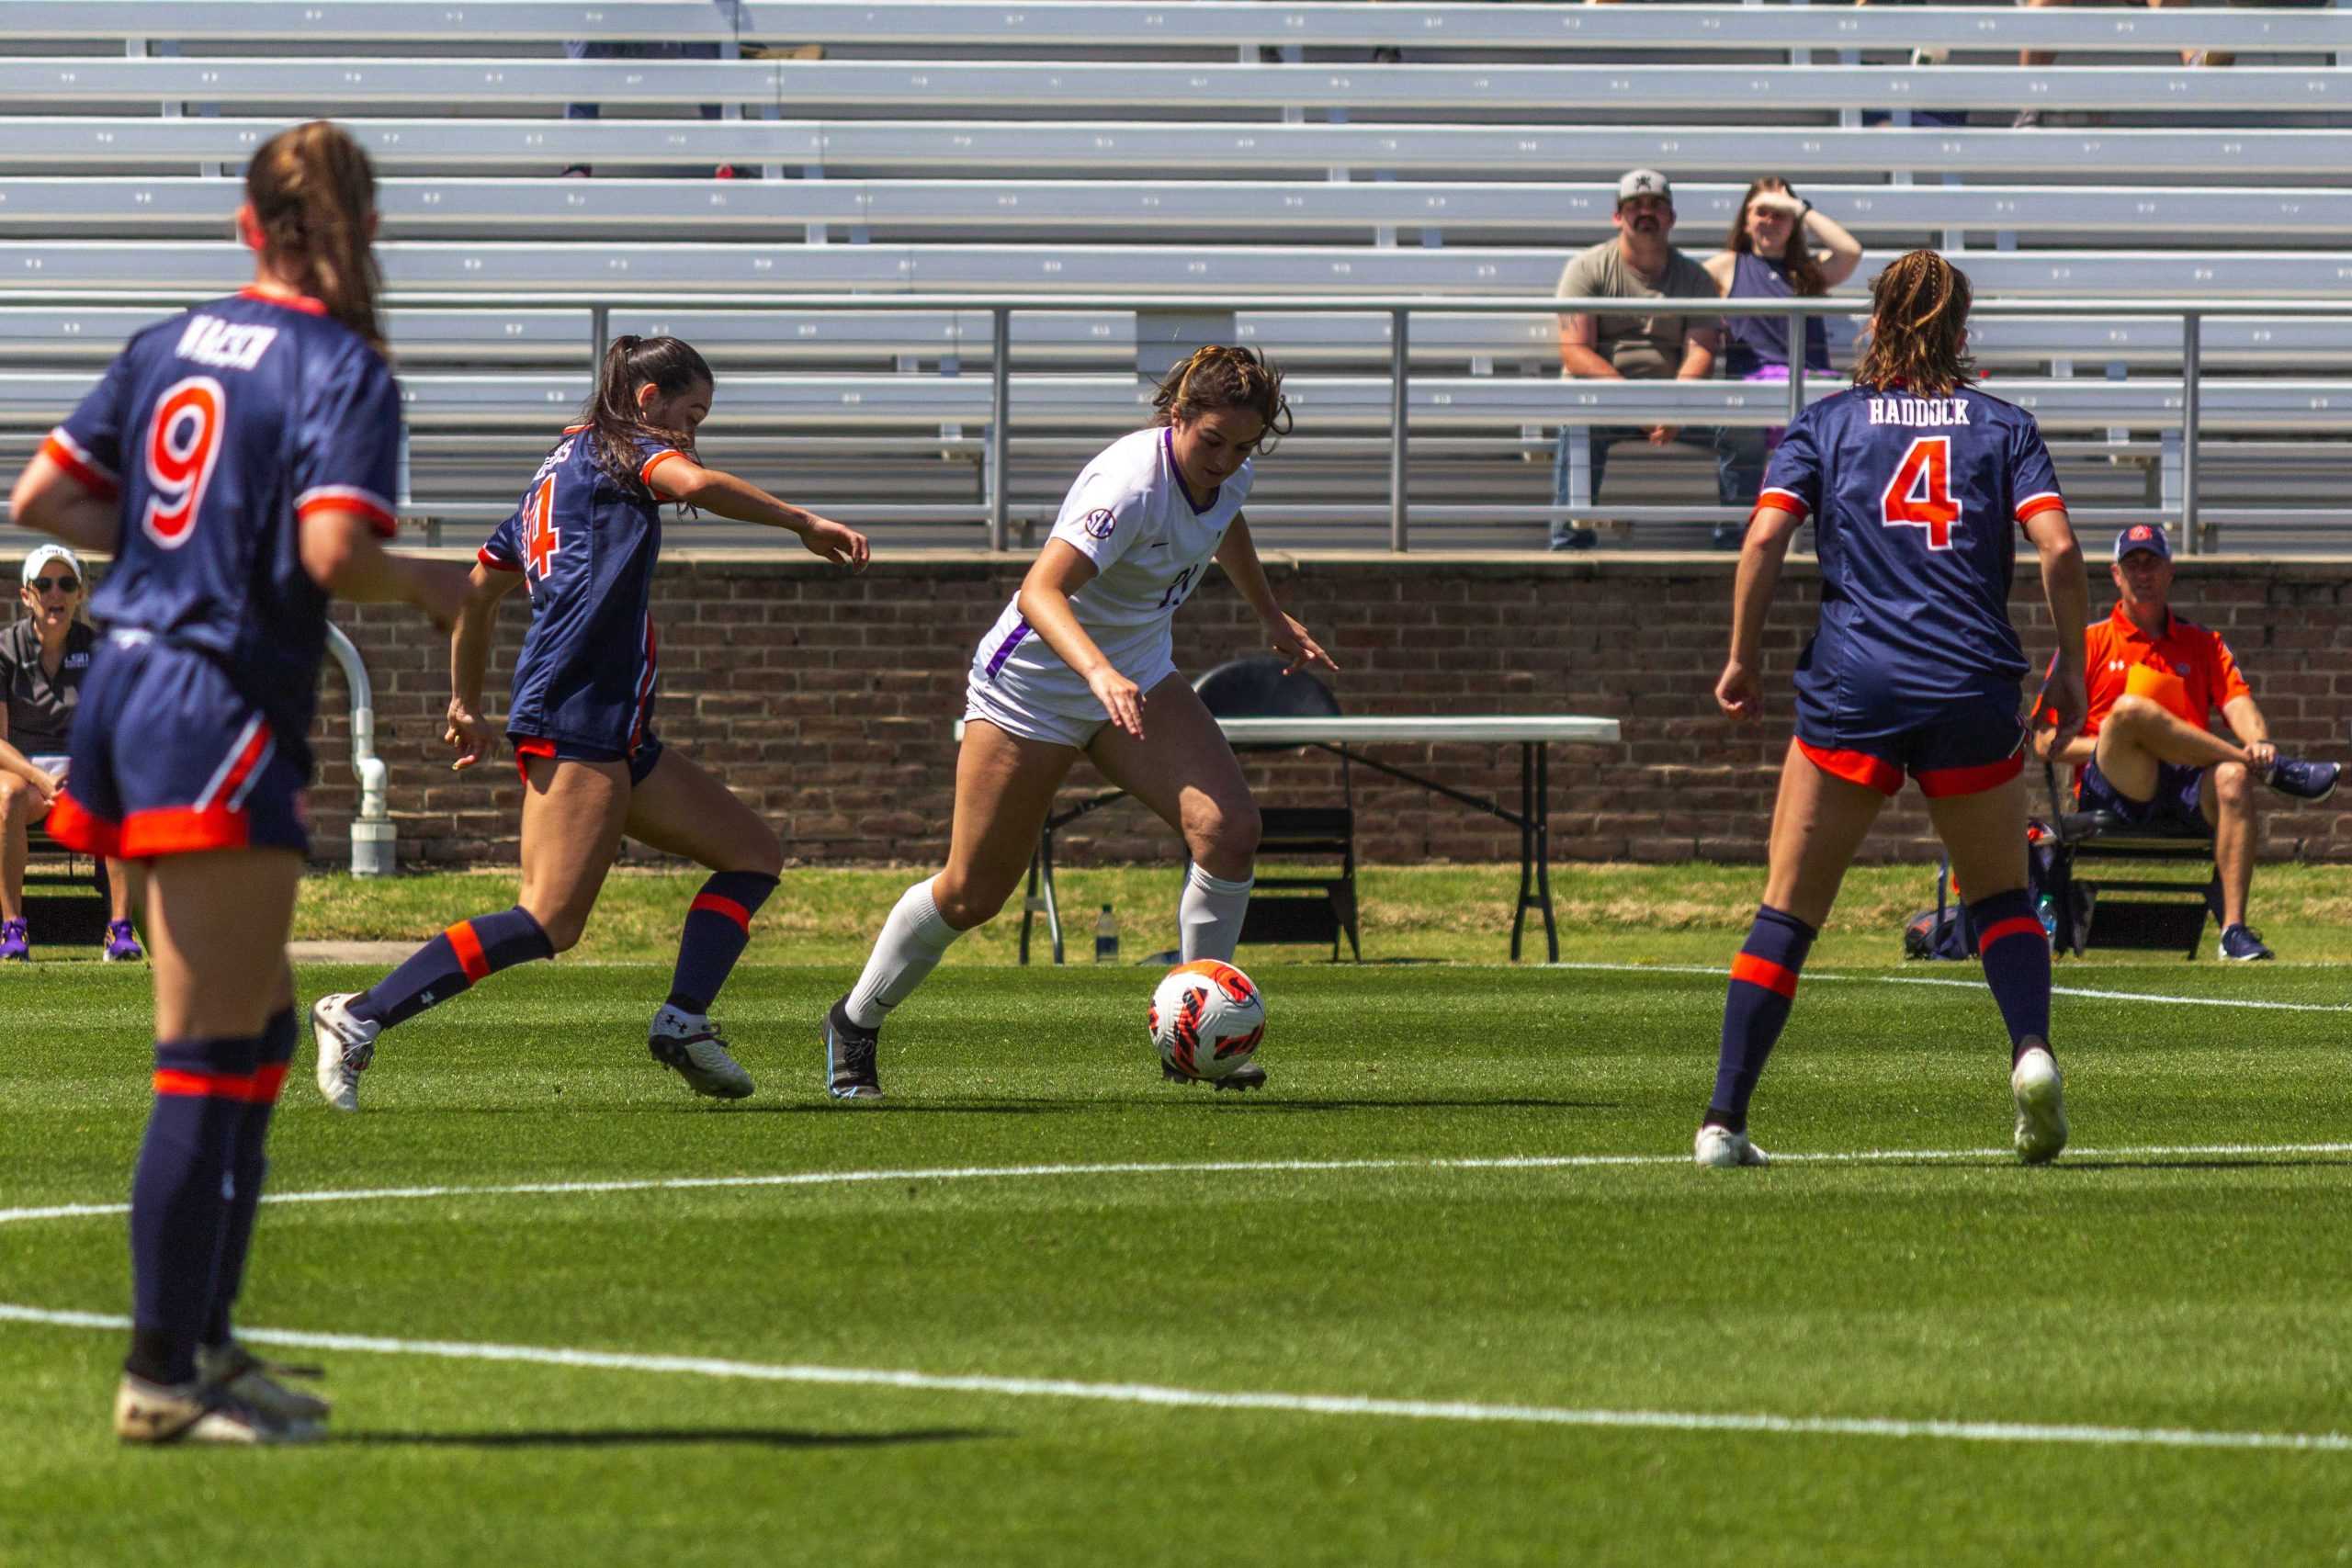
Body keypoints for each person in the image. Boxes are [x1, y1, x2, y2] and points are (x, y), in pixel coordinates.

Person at [7, 120, 469, 1443]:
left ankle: (205, 1341)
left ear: (244, 228)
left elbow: (44, 493)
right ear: (366, 231)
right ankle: (161, 1373)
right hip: (214, 698)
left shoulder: (168, 343)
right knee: (207, 1052)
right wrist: (436, 581)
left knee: (255, 1031)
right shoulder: (341, 363)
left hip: (134, 692)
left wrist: (183, 541)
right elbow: (333, 548)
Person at [308, 334, 869, 1111]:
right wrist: (802, 521)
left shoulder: (553, 472)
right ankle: (359, 1015)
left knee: (752, 852)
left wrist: (464, 702)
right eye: (690, 412)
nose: (693, 431)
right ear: (647, 400)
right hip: (577, 707)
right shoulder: (622, 448)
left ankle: (684, 1021)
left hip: (609, 720)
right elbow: (695, 483)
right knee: (548, 919)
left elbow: (476, 596)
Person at [820, 345, 1335, 1100]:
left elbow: (1225, 525)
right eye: (1212, 440)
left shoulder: (1229, 475)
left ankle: (1192, 1037)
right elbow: (1040, 593)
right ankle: (854, 1021)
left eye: (1243, 446)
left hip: (1136, 677)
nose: (1225, 460)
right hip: (1031, 689)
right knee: (974, 892)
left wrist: (1270, 616)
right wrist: (1096, 671)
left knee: (1229, 830)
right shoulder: (1128, 484)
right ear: (1178, 415)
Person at [1701, 249, 2090, 1170]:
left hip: (1855, 683)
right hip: (1969, 682)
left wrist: (1739, 658)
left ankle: (1723, 1121)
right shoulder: (2002, 426)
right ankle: (2030, 1054)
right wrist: (2072, 665)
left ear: (1873, 323)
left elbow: (1762, 538)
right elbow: (2063, 550)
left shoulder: (1825, 422)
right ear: (1960, 331)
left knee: (1788, 909)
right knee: (1998, 895)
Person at [2036, 523, 2339, 961]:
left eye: (2152, 563)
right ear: (2116, 575)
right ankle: (2272, 772)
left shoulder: (2204, 643)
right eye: (2132, 565)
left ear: (2170, 573)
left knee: (2234, 778)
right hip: (2116, 781)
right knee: (2129, 712)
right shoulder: (2086, 644)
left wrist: (2258, 744)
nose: (2143, 574)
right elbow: (2044, 742)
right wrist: (2115, 742)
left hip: (2185, 783)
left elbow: (2240, 705)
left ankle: (2233, 931)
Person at [1551, 170, 1738, 552]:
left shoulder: (1694, 278)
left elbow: (1701, 350)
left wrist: (1672, 407)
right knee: (1577, 423)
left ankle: (1735, 538)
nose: (1645, 213)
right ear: (1617, 217)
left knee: (1739, 429)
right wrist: (1634, 403)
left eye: (1656, 205)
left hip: (1674, 403)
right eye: (1634, 206)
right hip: (1606, 400)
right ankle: (1569, 543)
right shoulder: (1587, 268)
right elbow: (1574, 350)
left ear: (1671, 217)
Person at [1702, 178, 1863, 550]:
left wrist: (1802, 209)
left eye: (1781, 214)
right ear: (1745, 220)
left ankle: (1840, 539)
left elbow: (1850, 251)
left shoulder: (1808, 271)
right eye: (1762, 212)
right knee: (1741, 426)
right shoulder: (1726, 267)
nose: (1772, 221)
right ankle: (1736, 535)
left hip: (1809, 387)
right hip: (1753, 388)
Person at [0, 544, 141, 961]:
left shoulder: (100, 650)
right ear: (27, 595)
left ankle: (119, 931)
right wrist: (41, 780)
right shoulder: (5, 650)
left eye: (66, 584)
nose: (55, 594)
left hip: (84, 772)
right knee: (4, 796)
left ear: (80, 594)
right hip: (25, 775)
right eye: (44, 584)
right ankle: (11, 929)